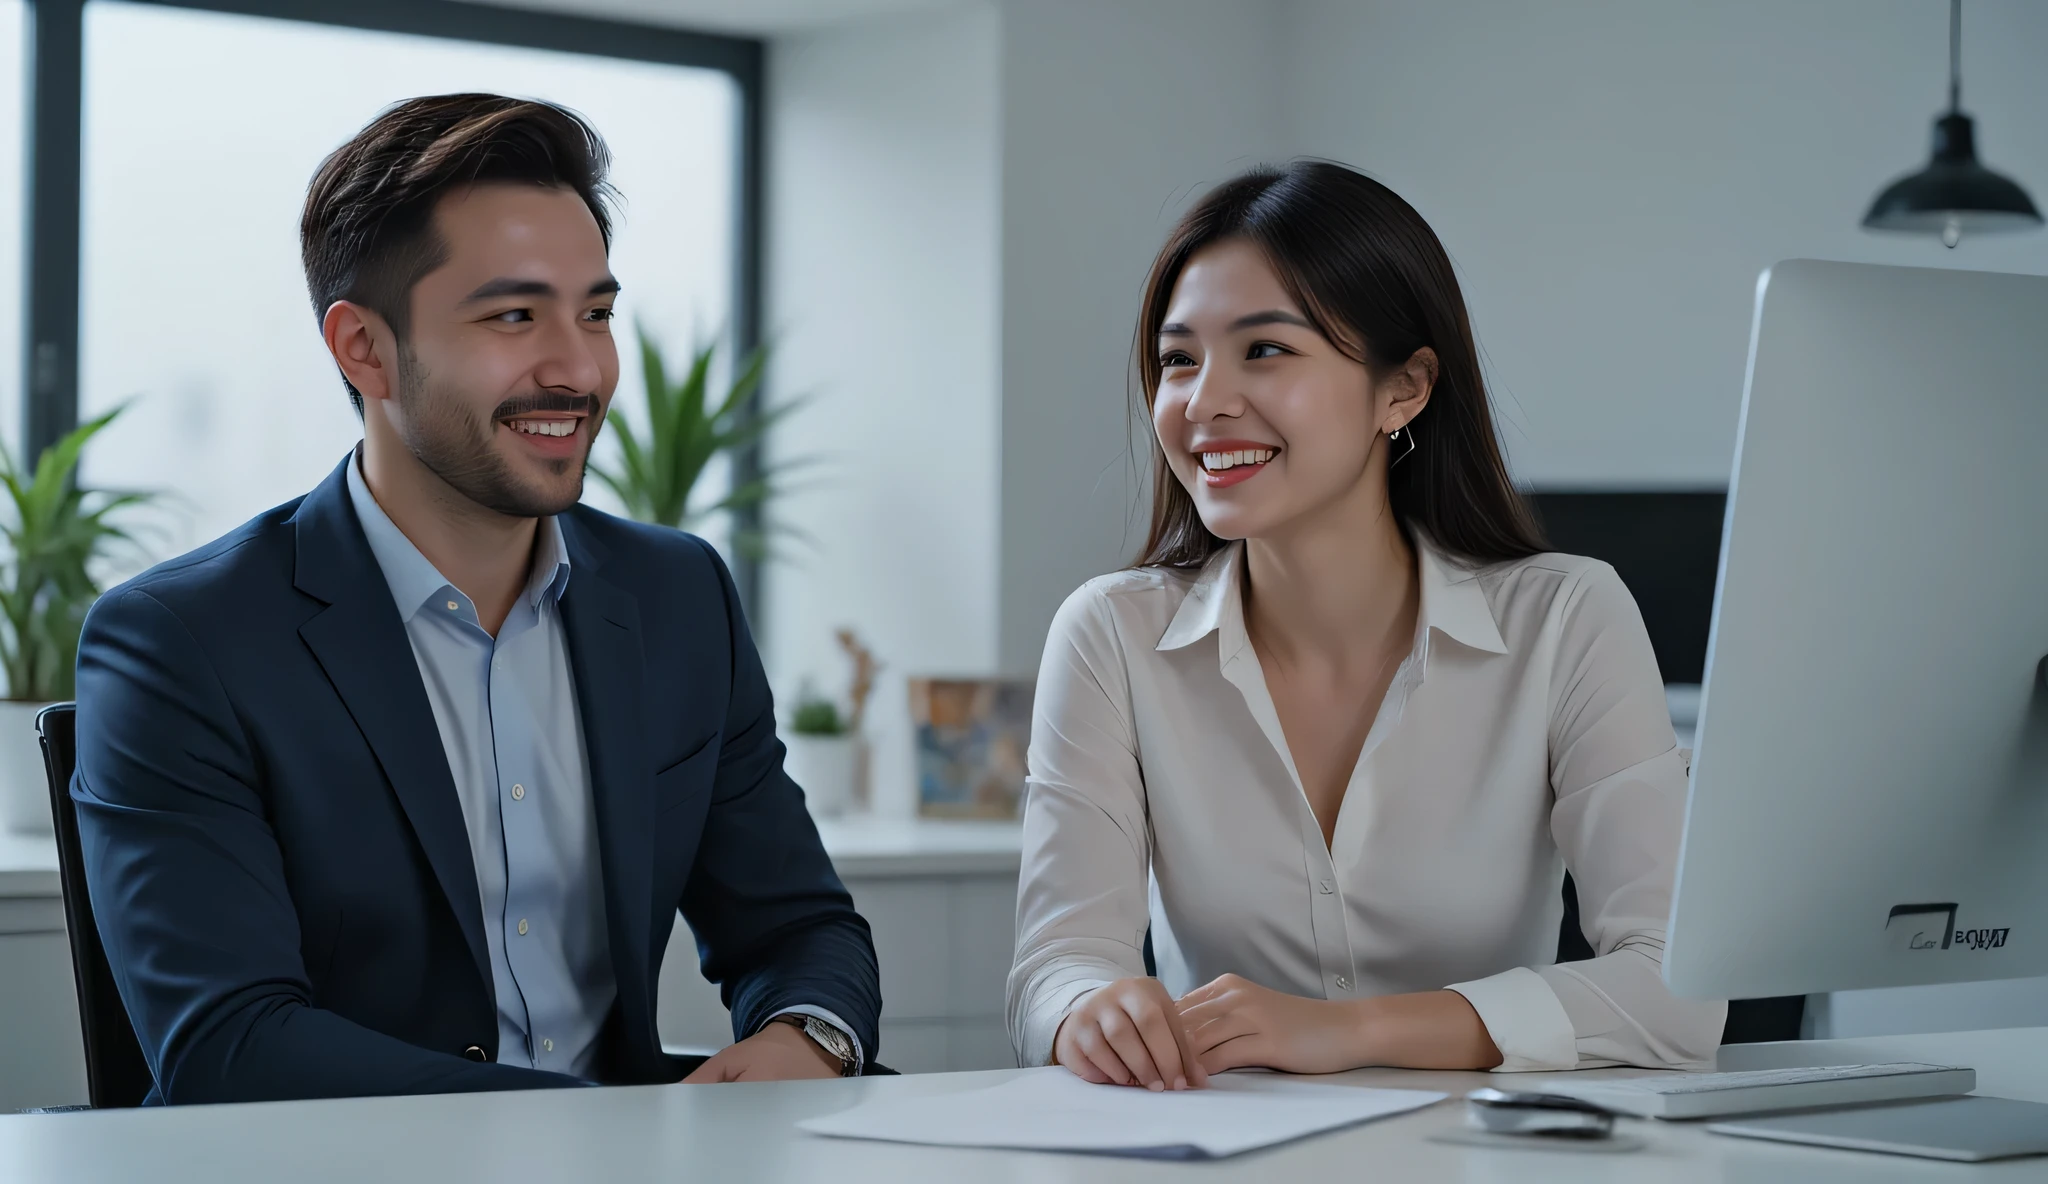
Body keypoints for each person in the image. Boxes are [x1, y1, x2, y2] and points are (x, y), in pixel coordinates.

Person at [73, 94, 880, 1104]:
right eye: (513, 315)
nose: (580, 368)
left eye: (595, 312)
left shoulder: (676, 597)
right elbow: (230, 1043)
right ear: (363, 348)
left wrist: (811, 1036)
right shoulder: (185, 641)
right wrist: (611, 1135)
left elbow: (799, 925)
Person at [1006, 161, 1724, 1091]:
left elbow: (1679, 992)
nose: (1204, 400)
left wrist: (1346, 1030)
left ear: (1405, 390)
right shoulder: (1110, 635)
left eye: (1265, 350)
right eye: (1179, 358)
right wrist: (1088, 1010)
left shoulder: (1568, 619)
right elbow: (1052, 969)